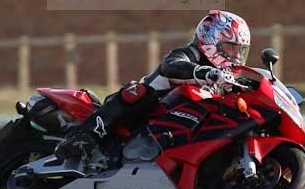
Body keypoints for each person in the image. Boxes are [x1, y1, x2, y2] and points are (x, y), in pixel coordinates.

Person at [54, 9, 251, 161]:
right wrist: (204, 72)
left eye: (239, 51)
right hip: (138, 113)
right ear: (211, 40)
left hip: (172, 131)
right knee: (141, 92)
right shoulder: (190, 54)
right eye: (230, 47)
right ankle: (84, 135)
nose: (235, 56)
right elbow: (170, 66)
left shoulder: (224, 79)